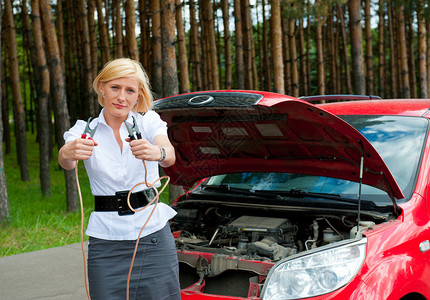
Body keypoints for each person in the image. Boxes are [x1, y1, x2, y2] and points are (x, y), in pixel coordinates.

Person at [58, 58, 180, 300]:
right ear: (102, 87)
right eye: (115, 87)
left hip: (153, 237)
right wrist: (68, 152)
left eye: (130, 90)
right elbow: (66, 160)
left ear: (138, 96)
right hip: (106, 243)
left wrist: (158, 152)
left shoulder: (148, 122)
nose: (121, 97)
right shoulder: (84, 129)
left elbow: (169, 156)